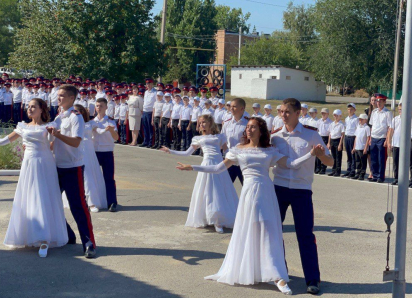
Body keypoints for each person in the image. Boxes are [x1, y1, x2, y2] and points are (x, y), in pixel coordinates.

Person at [177, 117, 325, 295]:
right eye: (247, 127)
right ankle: (250, 270)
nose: (249, 130)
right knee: (248, 230)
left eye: (253, 127)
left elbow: (292, 164)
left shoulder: (270, 150)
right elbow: (217, 168)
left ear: (261, 130)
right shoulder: (237, 150)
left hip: (267, 194)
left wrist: (311, 154)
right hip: (248, 194)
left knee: (269, 231)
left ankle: (278, 276)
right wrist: (192, 167)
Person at [271, 98, 334, 295]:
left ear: (299, 113)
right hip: (278, 188)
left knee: (305, 235)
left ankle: (313, 279)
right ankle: (280, 274)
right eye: (281, 111)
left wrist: (319, 154)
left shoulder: (311, 135)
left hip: (301, 190)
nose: (283, 115)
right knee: (273, 233)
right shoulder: (275, 137)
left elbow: (330, 161)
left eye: (287, 112)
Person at [0, 98, 68, 258]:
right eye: (28, 107)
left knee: (44, 197)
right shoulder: (22, 126)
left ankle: (45, 238)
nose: (29, 109)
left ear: (41, 109)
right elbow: (7, 139)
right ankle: (27, 234)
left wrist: (53, 135)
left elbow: (53, 143)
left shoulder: (49, 126)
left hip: (45, 164)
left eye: (33, 107)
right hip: (29, 164)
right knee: (28, 197)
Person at [161, 114, 238, 233]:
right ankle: (209, 218)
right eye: (200, 123)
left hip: (219, 165)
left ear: (210, 123)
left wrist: (235, 155)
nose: (201, 125)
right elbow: (187, 153)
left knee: (219, 191)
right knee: (207, 191)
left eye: (203, 122)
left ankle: (219, 220)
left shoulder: (220, 136)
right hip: (206, 164)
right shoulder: (198, 138)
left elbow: (226, 151)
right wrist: (170, 151)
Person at [49, 84, 96, 258]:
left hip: (72, 167)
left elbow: (76, 142)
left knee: (78, 206)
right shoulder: (59, 116)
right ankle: (68, 234)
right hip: (57, 165)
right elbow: (55, 142)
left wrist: (57, 134)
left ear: (71, 98)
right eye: (58, 95)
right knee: (51, 202)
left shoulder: (76, 117)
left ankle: (89, 243)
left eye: (62, 96)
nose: (58, 98)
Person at [73, 104, 107, 212]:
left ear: (82, 112)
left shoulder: (90, 123)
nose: (75, 114)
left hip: (88, 152)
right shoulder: (72, 123)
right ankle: (81, 201)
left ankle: (92, 202)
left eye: (77, 112)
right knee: (81, 175)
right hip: (77, 150)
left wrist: (107, 128)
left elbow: (99, 131)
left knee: (89, 175)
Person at [93, 98, 119, 212]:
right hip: (94, 152)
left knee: (108, 178)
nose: (99, 108)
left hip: (107, 152)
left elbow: (116, 138)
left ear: (106, 107)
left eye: (101, 106)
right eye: (97, 106)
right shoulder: (92, 121)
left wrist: (111, 130)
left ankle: (112, 202)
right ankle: (94, 202)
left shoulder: (111, 121)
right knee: (93, 178)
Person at [221, 98, 248, 185]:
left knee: (247, 186)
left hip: (243, 161)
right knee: (225, 187)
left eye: (234, 106)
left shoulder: (249, 123)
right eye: (231, 106)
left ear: (242, 108)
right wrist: (226, 152)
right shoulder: (227, 123)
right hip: (229, 160)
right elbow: (222, 139)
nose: (231, 108)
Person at [387, 102, 412, 186]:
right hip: (396, 143)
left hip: (407, 144)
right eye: (399, 109)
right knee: (396, 162)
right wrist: (389, 142)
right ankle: (396, 178)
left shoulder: (409, 118)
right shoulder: (395, 119)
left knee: (410, 162)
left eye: (401, 109)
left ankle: (411, 180)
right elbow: (391, 131)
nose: (400, 111)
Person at [369, 94, 392, 183]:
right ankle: (374, 175)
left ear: (384, 102)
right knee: (373, 158)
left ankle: (380, 176)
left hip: (382, 138)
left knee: (381, 158)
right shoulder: (374, 112)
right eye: (377, 101)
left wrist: (387, 139)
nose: (378, 103)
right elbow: (372, 126)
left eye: (380, 101)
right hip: (374, 137)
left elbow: (390, 127)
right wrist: (370, 138)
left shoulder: (387, 113)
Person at [351, 114, 371, 180]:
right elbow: (356, 137)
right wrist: (354, 147)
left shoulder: (367, 128)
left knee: (363, 162)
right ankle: (358, 173)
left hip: (363, 148)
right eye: (359, 119)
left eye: (361, 119)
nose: (360, 120)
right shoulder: (358, 127)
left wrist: (366, 148)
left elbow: (368, 138)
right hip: (357, 147)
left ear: (365, 120)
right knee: (358, 161)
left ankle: (362, 174)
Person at [327, 109, 345, 177]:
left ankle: (338, 171)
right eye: (334, 116)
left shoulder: (341, 124)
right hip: (332, 140)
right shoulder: (332, 124)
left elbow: (342, 135)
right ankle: (333, 170)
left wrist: (340, 144)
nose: (335, 117)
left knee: (338, 157)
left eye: (337, 116)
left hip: (338, 140)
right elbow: (330, 134)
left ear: (340, 116)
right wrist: (329, 143)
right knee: (333, 156)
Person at [140, 78, 157, 148]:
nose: (148, 85)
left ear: (152, 84)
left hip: (150, 112)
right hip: (145, 111)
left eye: (149, 83)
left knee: (150, 128)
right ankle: (145, 141)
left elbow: (155, 103)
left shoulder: (155, 92)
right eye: (147, 84)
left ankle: (151, 142)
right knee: (145, 128)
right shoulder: (146, 92)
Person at [342, 103, 358, 178]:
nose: (350, 110)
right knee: (348, 154)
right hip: (347, 137)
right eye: (348, 109)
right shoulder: (346, 118)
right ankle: (348, 170)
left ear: (354, 110)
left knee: (352, 155)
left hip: (352, 137)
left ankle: (352, 170)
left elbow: (357, 130)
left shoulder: (356, 119)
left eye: (351, 109)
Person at [315, 108, 332, 175]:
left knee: (324, 154)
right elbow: (316, 131)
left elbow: (330, 133)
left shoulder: (330, 122)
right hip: (319, 137)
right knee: (318, 153)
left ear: (327, 114)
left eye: (324, 113)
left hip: (326, 138)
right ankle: (318, 167)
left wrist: (328, 142)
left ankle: (323, 168)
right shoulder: (319, 121)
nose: (323, 115)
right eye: (322, 113)